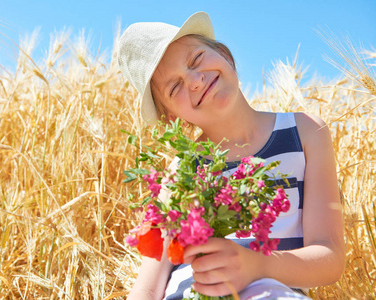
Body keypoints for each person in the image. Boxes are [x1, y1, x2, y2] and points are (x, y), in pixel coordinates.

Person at [117, 12, 344, 300]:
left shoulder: (305, 133)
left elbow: (330, 258)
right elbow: (149, 286)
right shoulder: (182, 170)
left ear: (224, 54)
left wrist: (256, 265)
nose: (195, 81)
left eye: (196, 59)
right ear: (171, 117)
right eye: (175, 87)